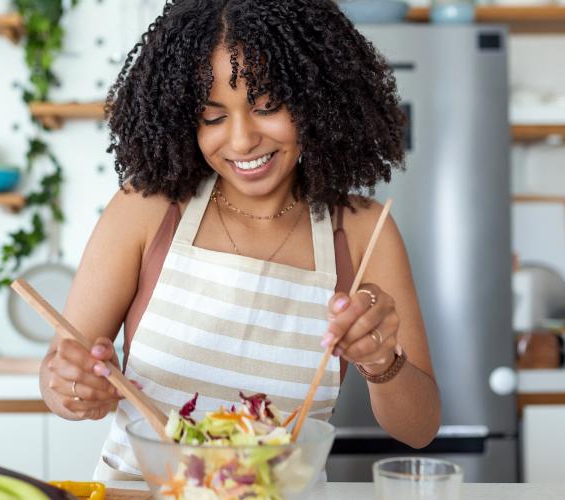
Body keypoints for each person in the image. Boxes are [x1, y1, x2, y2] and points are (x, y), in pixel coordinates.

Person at [38, 0, 441, 480]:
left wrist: (381, 361)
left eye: (267, 107)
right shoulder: (146, 209)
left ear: (317, 99)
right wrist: (71, 386)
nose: (243, 139)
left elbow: (419, 429)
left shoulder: (360, 230)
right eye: (213, 117)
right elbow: (59, 373)